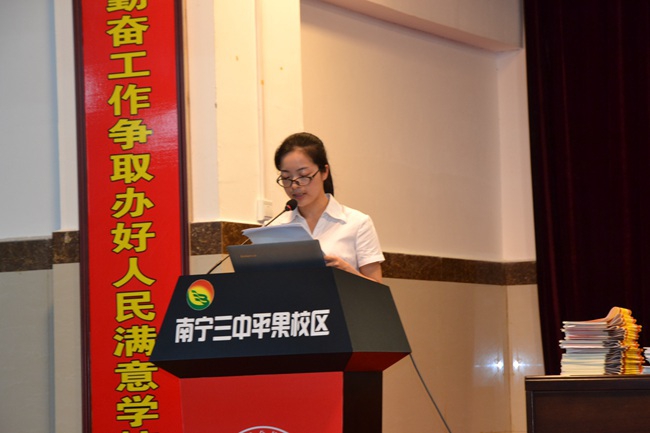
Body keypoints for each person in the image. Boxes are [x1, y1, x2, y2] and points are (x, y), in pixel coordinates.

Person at [272, 132, 385, 283]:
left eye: (303, 175)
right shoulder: (274, 228)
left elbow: (377, 290)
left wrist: (347, 272)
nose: (294, 185)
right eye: (286, 178)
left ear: (324, 172)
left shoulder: (358, 223)